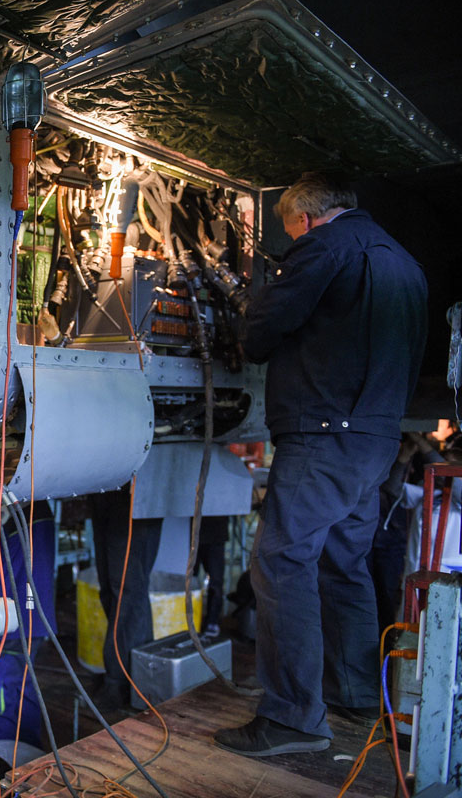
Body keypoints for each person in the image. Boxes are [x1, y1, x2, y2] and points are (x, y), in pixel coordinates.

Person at [214, 173, 427, 756]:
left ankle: (291, 718)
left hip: (324, 434)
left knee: (281, 563)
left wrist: (247, 304)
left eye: (288, 230)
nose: (292, 239)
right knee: (343, 562)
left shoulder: (325, 247)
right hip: (376, 441)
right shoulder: (404, 261)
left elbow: (262, 331)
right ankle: (356, 696)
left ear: (304, 219)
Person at [0, 490, 57, 747]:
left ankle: (1, 771)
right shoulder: (38, 500)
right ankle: (26, 769)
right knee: (22, 692)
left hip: (3, 622)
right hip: (33, 617)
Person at [89, 486, 162, 713]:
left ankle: (120, 681)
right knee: (112, 591)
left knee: (127, 594)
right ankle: (134, 675)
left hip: (137, 491)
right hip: (104, 486)